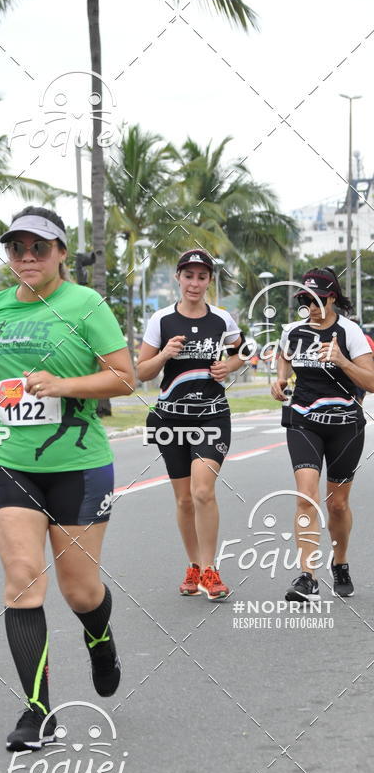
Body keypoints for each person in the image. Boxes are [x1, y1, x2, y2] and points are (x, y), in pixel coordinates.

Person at [0, 206, 134, 752]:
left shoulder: (85, 305)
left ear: (61, 252)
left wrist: (63, 385)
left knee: (79, 590)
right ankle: (39, 713)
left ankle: (99, 638)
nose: (27, 258)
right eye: (17, 249)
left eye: (39, 248)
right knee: (22, 579)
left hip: (78, 465)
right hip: (12, 459)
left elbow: (125, 378)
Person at [137, 249, 246, 601]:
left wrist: (230, 366)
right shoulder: (162, 320)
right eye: (189, 276)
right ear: (178, 279)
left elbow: (244, 352)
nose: (194, 283)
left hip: (212, 415)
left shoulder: (222, 320)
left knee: (203, 490)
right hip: (171, 419)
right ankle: (194, 566)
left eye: (202, 277)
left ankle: (211, 569)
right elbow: (141, 372)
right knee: (184, 500)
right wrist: (165, 354)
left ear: (209, 281)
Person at [271, 267, 374, 600]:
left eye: (318, 300)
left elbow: (371, 381)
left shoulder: (350, 332)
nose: (311, 307)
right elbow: (284, 357)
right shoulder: (293, 330)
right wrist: (281, 379)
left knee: (338, 504)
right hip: (304, 420)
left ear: (332, 299)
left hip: (345, 425)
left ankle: (340, 563)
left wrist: (342, 360)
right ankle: (307, 576)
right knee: (306, 496)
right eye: (305, 300)